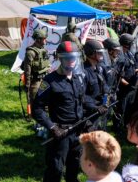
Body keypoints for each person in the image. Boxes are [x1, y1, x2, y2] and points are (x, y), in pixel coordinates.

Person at [32, 41, 87, 182]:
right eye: (67, 58)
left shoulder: (77, 78)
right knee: (55, 169)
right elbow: (37, 109)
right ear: (59, 58)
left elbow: (82, 100)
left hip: (77, 131)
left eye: (74, 58)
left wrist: (96, 107)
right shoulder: (49, 81)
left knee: (74, 166)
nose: (71, 61)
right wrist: (52, 127)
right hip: (60, 134)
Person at [20, 28, 50, 117]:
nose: (46, 40)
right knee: (35, 100)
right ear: (38, 39)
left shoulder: (42, 49)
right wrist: (27, 84)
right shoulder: (30, 52)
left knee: (45, 98)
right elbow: (27, 69)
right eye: (44, 38)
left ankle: (44, 115)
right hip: (35, 81)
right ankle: (35, 118)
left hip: (44, 79)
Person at [83, 40, 109, 131]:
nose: (102, 55)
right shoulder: (84, 72)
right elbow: (82, 95)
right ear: (91, 53)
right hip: (90, 113)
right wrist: (95, 107)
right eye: (99, 53)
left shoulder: (99, 68)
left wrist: (107, 98)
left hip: (101, 109)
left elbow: (104, 85)